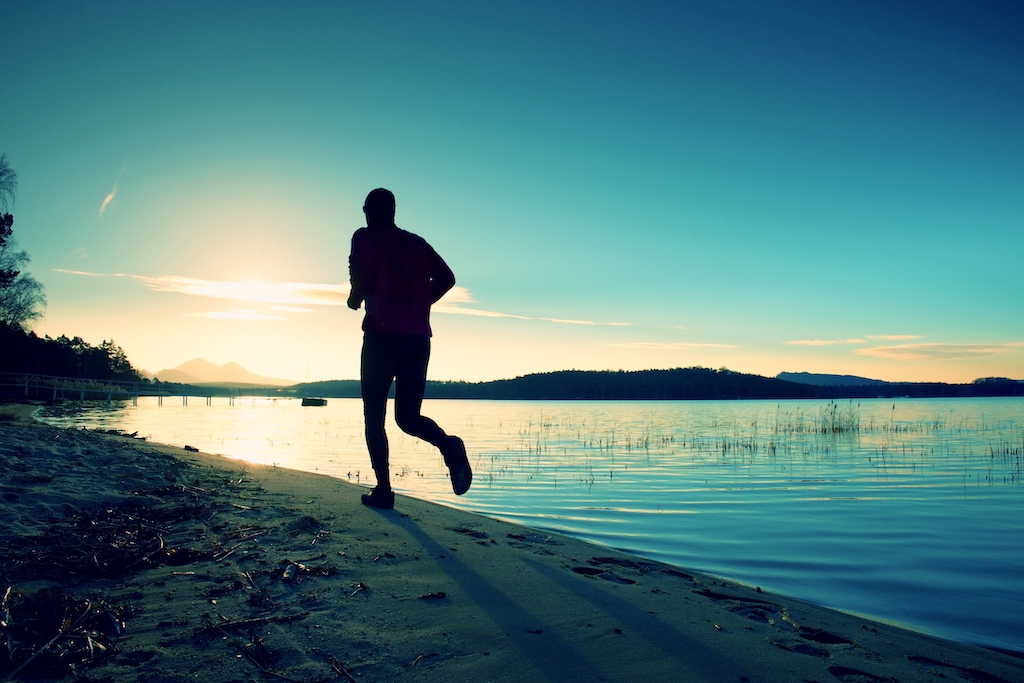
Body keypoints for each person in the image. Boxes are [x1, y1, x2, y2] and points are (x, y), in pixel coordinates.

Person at [347, 188, 472, 509]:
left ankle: (384, 491)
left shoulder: (364, 236)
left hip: (381, 338)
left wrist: (355, 297)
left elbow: (360, 270)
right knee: (408, 417)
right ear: (394, 211)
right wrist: (417, 305)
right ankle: (448, 445)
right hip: (418, 340)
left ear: (368, 211)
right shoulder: (417, 243)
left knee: (374, 417)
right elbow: (447, 277)